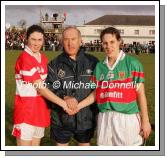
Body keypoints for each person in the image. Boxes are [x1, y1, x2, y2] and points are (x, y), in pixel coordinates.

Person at [77, 27, 152, 146]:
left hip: (126, 119)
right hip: (104, 118)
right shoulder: (99, 67)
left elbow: (141, 94)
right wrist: (78, 106)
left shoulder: (133, 64)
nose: (108, 46)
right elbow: (96, 94)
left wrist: (146, 121)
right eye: (105, 43)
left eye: (112, 42)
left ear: (119, 42)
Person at [12, 25, 69, 146]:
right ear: (27, 39)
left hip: (41, 110)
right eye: (33, 39)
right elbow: (41, 88)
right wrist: (63, 103)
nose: (36, 43)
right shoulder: (24, 58)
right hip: (26, 112)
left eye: (40, 40)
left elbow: (49, 84)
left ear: (43, 40)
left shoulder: (42, 58)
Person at [46, 26, 99, 146]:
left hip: (86, 118)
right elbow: (50, 86)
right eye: (66, 39)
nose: (70, 43)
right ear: (62, 42)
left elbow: (99, 88)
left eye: (73, 39)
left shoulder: (93, 62)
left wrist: (80, 105)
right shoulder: (54, 63)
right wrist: (64, 97)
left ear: (80, 40)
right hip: (61, 119)